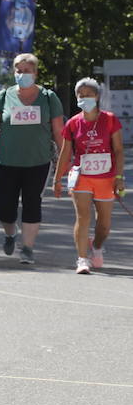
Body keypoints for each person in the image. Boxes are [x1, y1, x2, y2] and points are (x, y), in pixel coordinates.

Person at [0, 53, 63, 264]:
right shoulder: (3, 96)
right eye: (19, 71)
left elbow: (58, 132)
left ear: (35, 73)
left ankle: (27, 248)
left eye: (27, 71)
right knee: (4, 208)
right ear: (14, 73)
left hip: (38, 161)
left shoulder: (48, 97)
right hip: (6, 160)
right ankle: (11, 233)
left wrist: (65, 162)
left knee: (32, 203)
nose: (23, 74)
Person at [53, 78, 124, 273]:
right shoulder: (73, 123)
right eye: (81, 96)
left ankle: (97, 247)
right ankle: (82, 259)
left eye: (89, 95)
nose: (85, 99)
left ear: (97, 96)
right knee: (83, 217)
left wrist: (119, 177)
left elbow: (118, 150)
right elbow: (66, 153)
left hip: (106, 177)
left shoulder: (109, 119)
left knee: (104, 224)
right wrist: (58, 178)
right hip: (81, 176)